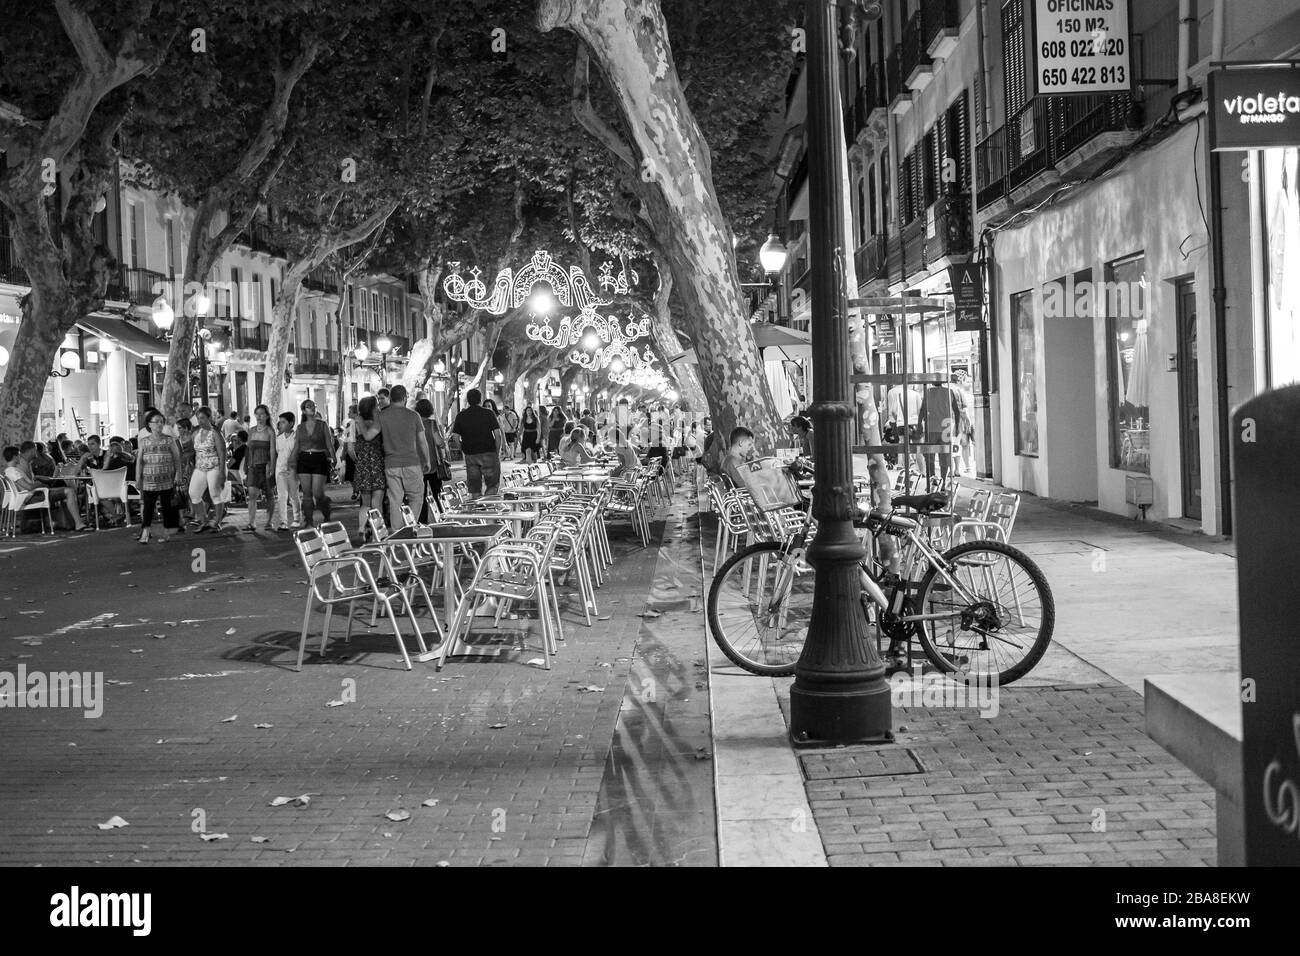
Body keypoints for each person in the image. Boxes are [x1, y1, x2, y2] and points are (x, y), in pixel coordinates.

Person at [376, 384, 429, 529]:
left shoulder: (382, 416)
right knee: (416, 497)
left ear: (391, 398)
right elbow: (422, 442)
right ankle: (410, 527)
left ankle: (397, 532)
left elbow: (372, 435)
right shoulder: (413, 416)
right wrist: (427, 460)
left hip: (391, 463)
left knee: (395, 500)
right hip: (411, 461)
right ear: (405, 398)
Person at [3, 445, 87, 533]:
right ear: (15, 457)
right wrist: (39, 484)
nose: (20, 457)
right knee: (69, 491)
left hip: (31, 495)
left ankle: (69, 522)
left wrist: (38, 480)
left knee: (64, 489)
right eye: (19, 455)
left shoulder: (9, 470)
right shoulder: (13, 471)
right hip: (32, 497)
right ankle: (78, 524)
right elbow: (29, 487)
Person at [135, 409, 183, 544]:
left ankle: (166, 532)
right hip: (149, 480)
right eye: (156, 422)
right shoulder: (143, 441)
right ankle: (145, 531)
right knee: (148, 507)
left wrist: (178, 474)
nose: (160, 424)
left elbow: (177, 458)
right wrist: (138, 477)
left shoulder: (169, 440)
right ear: (149, 424)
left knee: (167, 506)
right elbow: (139, 461)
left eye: (162, 422)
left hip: (167, 479)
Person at [290, 398, 335, 529]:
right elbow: (297, 445)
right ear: (304, 410)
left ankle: (326, 508)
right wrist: (291, 460)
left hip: (319, 458)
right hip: (304, 458)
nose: (313, 408)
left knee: (317, 492)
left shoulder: (322, 425)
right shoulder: (300, 427)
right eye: (309, 406)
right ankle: (308, 521)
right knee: (306, 492)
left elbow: (328, 442)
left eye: (314, 406)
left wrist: (333, 457)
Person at [451, 388, 503, 498]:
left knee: (474, 487)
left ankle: (478, 509)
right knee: (492, 485)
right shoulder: (489, 413)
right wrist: (497, 452)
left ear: (468, 400)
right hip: (488, 452)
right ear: (480, 399)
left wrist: (463, 448)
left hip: (471, 454)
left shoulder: (461, 415)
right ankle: (488, 508)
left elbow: (455, 437)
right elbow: (498, 435)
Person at [350, 396, 387, 537]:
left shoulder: (356, 423)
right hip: (375, 463)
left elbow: (351, 446)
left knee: (365, 503)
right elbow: (368, 436)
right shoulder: (376, 422)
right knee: (377, 501)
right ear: (372, 407)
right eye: (376, 405)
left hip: (363, 463)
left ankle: (361, 529)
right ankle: (378, 534)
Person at [187, 406, 227, 533]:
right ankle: (203, 521)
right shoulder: (196, 434)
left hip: (214, 467)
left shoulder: (215, 433)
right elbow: (193, 451)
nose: (200, 421)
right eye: (198, 418)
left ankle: (217, 522)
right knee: (193, 493)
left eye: (203, 418)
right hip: (200, 467)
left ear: (209, 418)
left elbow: (222, 453)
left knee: (215, 494)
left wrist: (222, 472)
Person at [242, 405, 275, 532]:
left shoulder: (270, 431)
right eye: (257, 414)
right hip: (253, 467)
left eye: (262, 414)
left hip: (266, 466)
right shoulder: (251, 430)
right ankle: (252, 522)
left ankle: (269, 521)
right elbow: (249, 449)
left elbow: (272, 451)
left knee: (269, 495)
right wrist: (247, 465)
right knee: (252, 495)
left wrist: (271, 466)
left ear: (267, 416)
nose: (259, 417)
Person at [416, 398, 447, 522]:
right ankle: (442, 516)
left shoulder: (414, 423)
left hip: (418, 464)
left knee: (420, 496)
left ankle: (422, 521)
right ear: (430, 410)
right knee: (437, 493)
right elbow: (439, 442)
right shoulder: (432, 424)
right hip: (433, 463)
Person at [268, 412, 298, 532]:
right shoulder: (278, 439)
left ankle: (297, 519)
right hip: (280, 470)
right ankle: (283, 522)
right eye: (280, 422)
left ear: (291, 423)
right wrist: (272, 468)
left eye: (284, 421)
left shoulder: (296, 437)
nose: (281, 424)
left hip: (293, 470)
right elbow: (275, 455)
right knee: (281, 496)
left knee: (294, 495)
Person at [341, 402, 359, 501]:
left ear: (355, 413)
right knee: (352, 474)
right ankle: (356, 490)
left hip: (354, 450)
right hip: (352, 450)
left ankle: (356, 490)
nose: (348, 414)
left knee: (354, 473)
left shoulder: (353, 423)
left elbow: (349, 440)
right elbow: (346, 440)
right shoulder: (349, 423)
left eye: (350, 412)